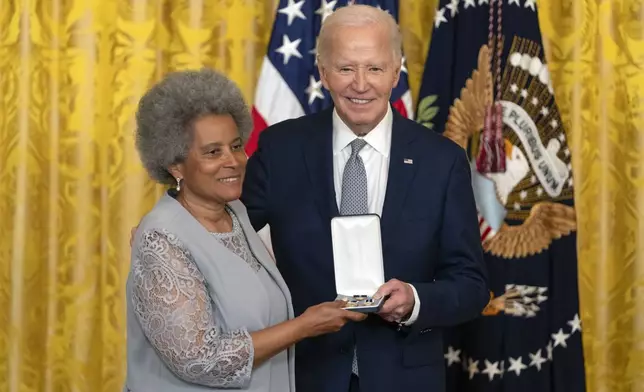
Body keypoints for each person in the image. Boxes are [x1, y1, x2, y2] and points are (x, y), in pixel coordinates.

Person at [241, 4, 489, 392]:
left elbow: (472, 285)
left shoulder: (441, 161)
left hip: (405, 378)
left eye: (374, 68)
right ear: (323, 72)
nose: (360, 84)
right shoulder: (280, 150)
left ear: (395, 72)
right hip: (303, 375)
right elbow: (226, 231)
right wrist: (177, 229)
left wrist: (414, 299)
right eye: (345, 68)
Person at [125, 69, 366, 392]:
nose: (234, 161)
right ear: (175, 165)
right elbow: (200, 360)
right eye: (213, 152)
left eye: (236, 146)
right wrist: (304, 326)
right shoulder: (162, 237)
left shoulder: (236, 212)